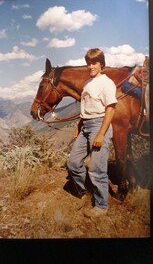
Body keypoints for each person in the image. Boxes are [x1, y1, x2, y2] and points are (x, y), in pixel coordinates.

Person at [66, 48, 117, 218]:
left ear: (101, 64)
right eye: (88, 63)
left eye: (94, 62)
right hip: (86, 126)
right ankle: (84, 192)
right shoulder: (88, 83)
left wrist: (101, 133)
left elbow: (110, 109)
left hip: (99, 125)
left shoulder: (106, 82)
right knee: (73, 163)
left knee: (97, 169)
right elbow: (87, 107)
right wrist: (79, 124)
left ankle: (101, 206)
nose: (91, 66)